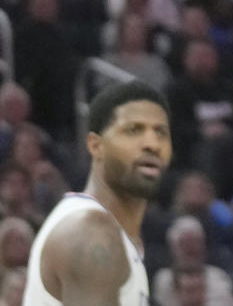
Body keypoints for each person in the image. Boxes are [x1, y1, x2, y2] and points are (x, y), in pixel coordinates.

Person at [22, 79, 171, 306]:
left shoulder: (111, 232)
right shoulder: (91, 232)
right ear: (96, 146)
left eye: (160, 132)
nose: (151, 144)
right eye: (133, 130)